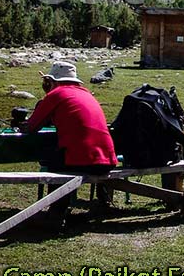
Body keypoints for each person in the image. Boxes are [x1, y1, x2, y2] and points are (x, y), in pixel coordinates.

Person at [20, 60, 118, 226]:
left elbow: (31, 127)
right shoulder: (86, 93)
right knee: (61, 156)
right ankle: (93, 203)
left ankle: (56, 214)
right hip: (107, 161)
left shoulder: (56, 95)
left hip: (82, 160)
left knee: (53, 162)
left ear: (52, 81)